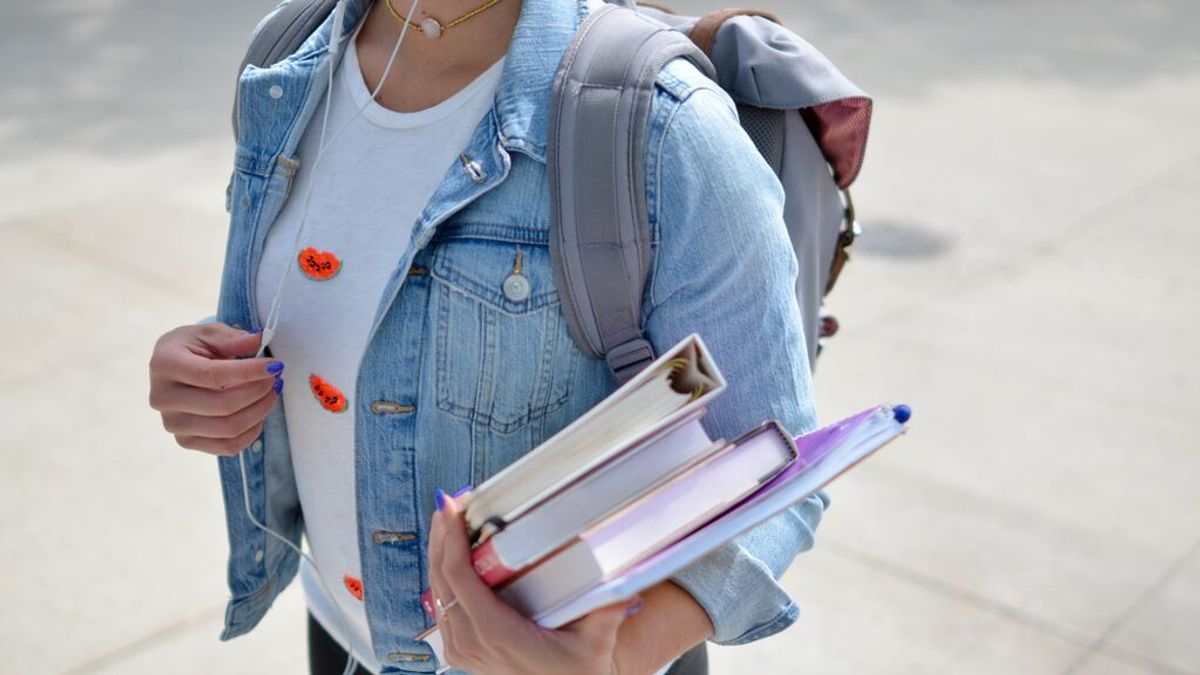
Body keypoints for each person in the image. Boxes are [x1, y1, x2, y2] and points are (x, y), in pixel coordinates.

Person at [147, 0, 827, 672]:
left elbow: (772, 464)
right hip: (339, 632)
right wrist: (205, 377)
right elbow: (302, 318)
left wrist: (619, 656)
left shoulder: (664, 126)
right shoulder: (287, 57)